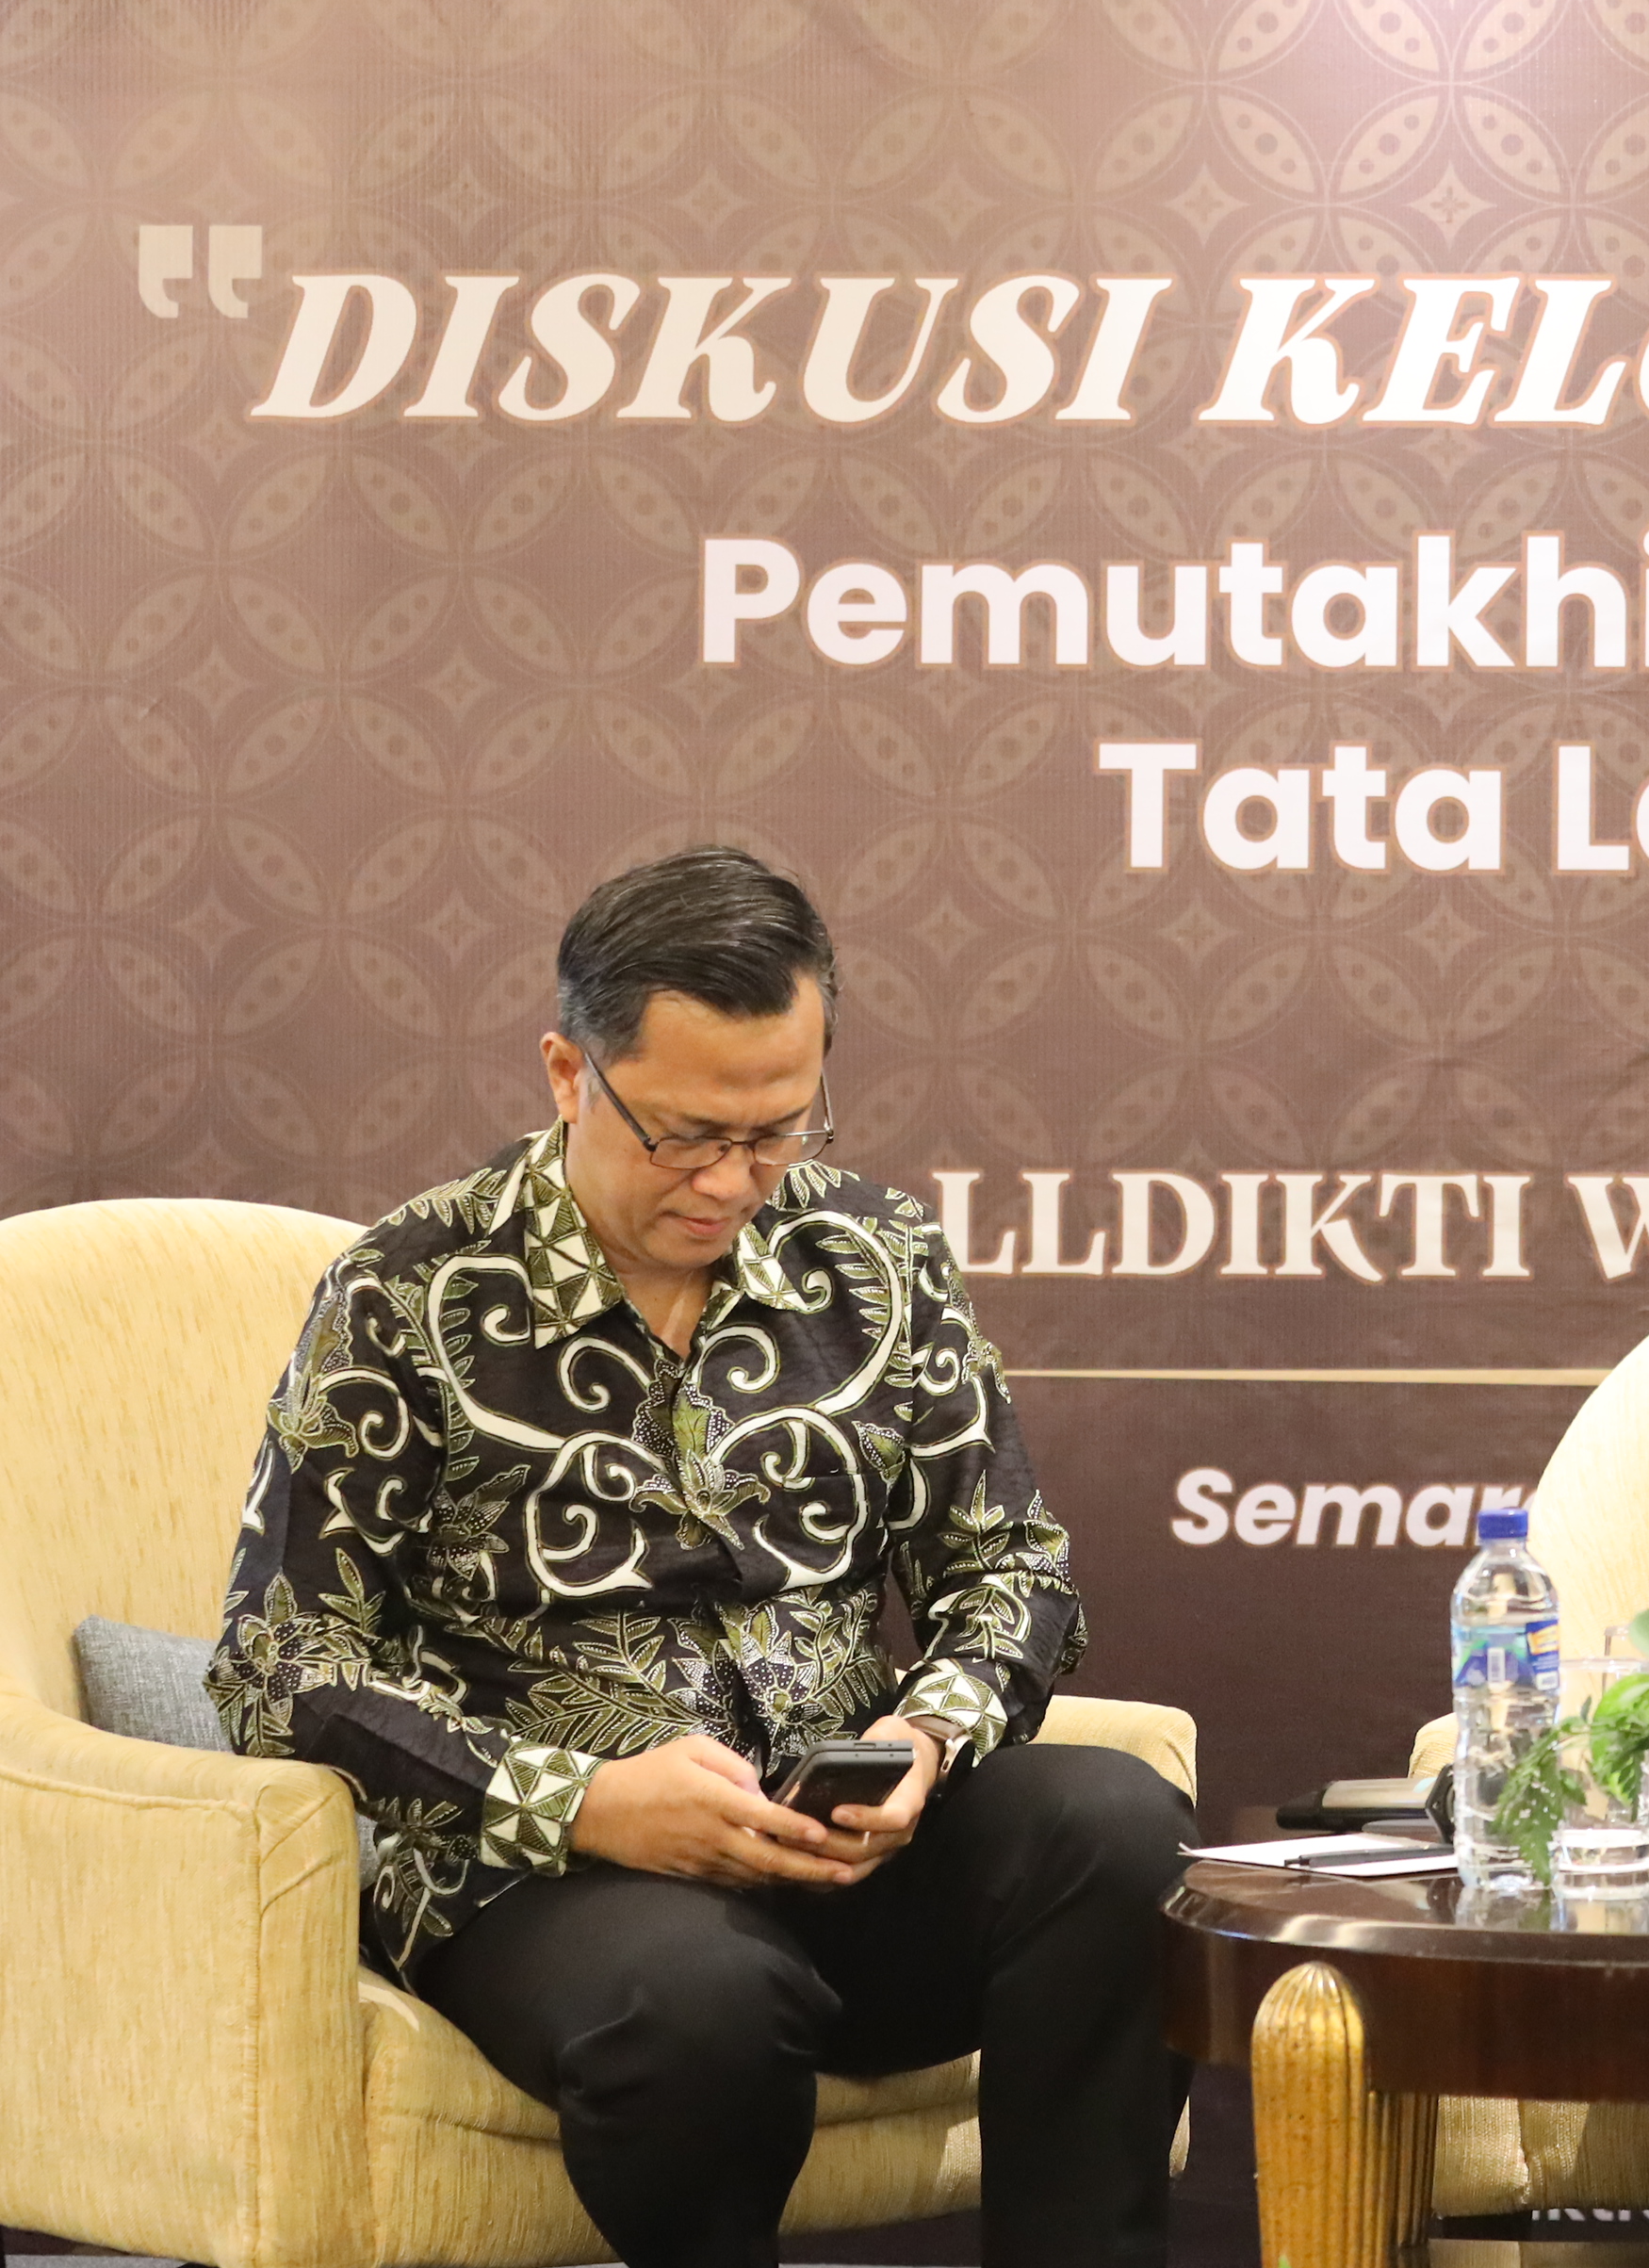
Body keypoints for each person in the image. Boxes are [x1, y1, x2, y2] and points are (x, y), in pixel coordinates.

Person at [208, 845, 1192, 2268]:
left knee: (1124, 1830)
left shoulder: (875, 1256)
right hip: (549, 1886)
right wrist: (587, 1803)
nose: (732, 1181)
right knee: (698, 2003)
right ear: (569, 1073)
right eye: (682, 1136)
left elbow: (1014, 1570)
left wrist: (922, 1744)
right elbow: (280, 1665)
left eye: (778, 1130)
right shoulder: (407, 1291)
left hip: (844, 1856)